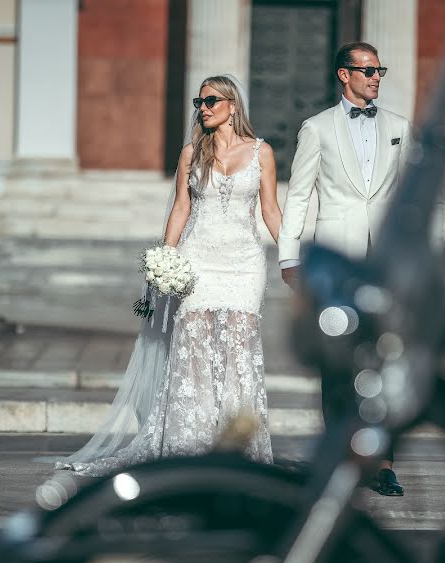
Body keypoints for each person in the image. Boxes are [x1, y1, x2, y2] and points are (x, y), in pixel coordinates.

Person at [57, 75, 283, 476]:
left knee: (238, 349)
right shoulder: (191, 153)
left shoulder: (262, 152)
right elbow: (181, 208)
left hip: (244, 262)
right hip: (198, 258)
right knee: (193, 348)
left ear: (233, 106)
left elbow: (270, 210)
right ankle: (190, 444)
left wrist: (292, 258)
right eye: (199, 101)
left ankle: (238, 446)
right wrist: (165, 258)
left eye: (212, 100)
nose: (204, 108)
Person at [277, 42, 413, 496]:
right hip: (335, 261)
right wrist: (290, 256)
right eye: (368, 70)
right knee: (337, 361)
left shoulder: (398, 127)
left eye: (380, 70)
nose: (376, 77)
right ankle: (338, 458)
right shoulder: (316, 128)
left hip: (386, 264)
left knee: (388, 358)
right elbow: (298, 195)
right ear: (344, 74)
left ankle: (384, 464)